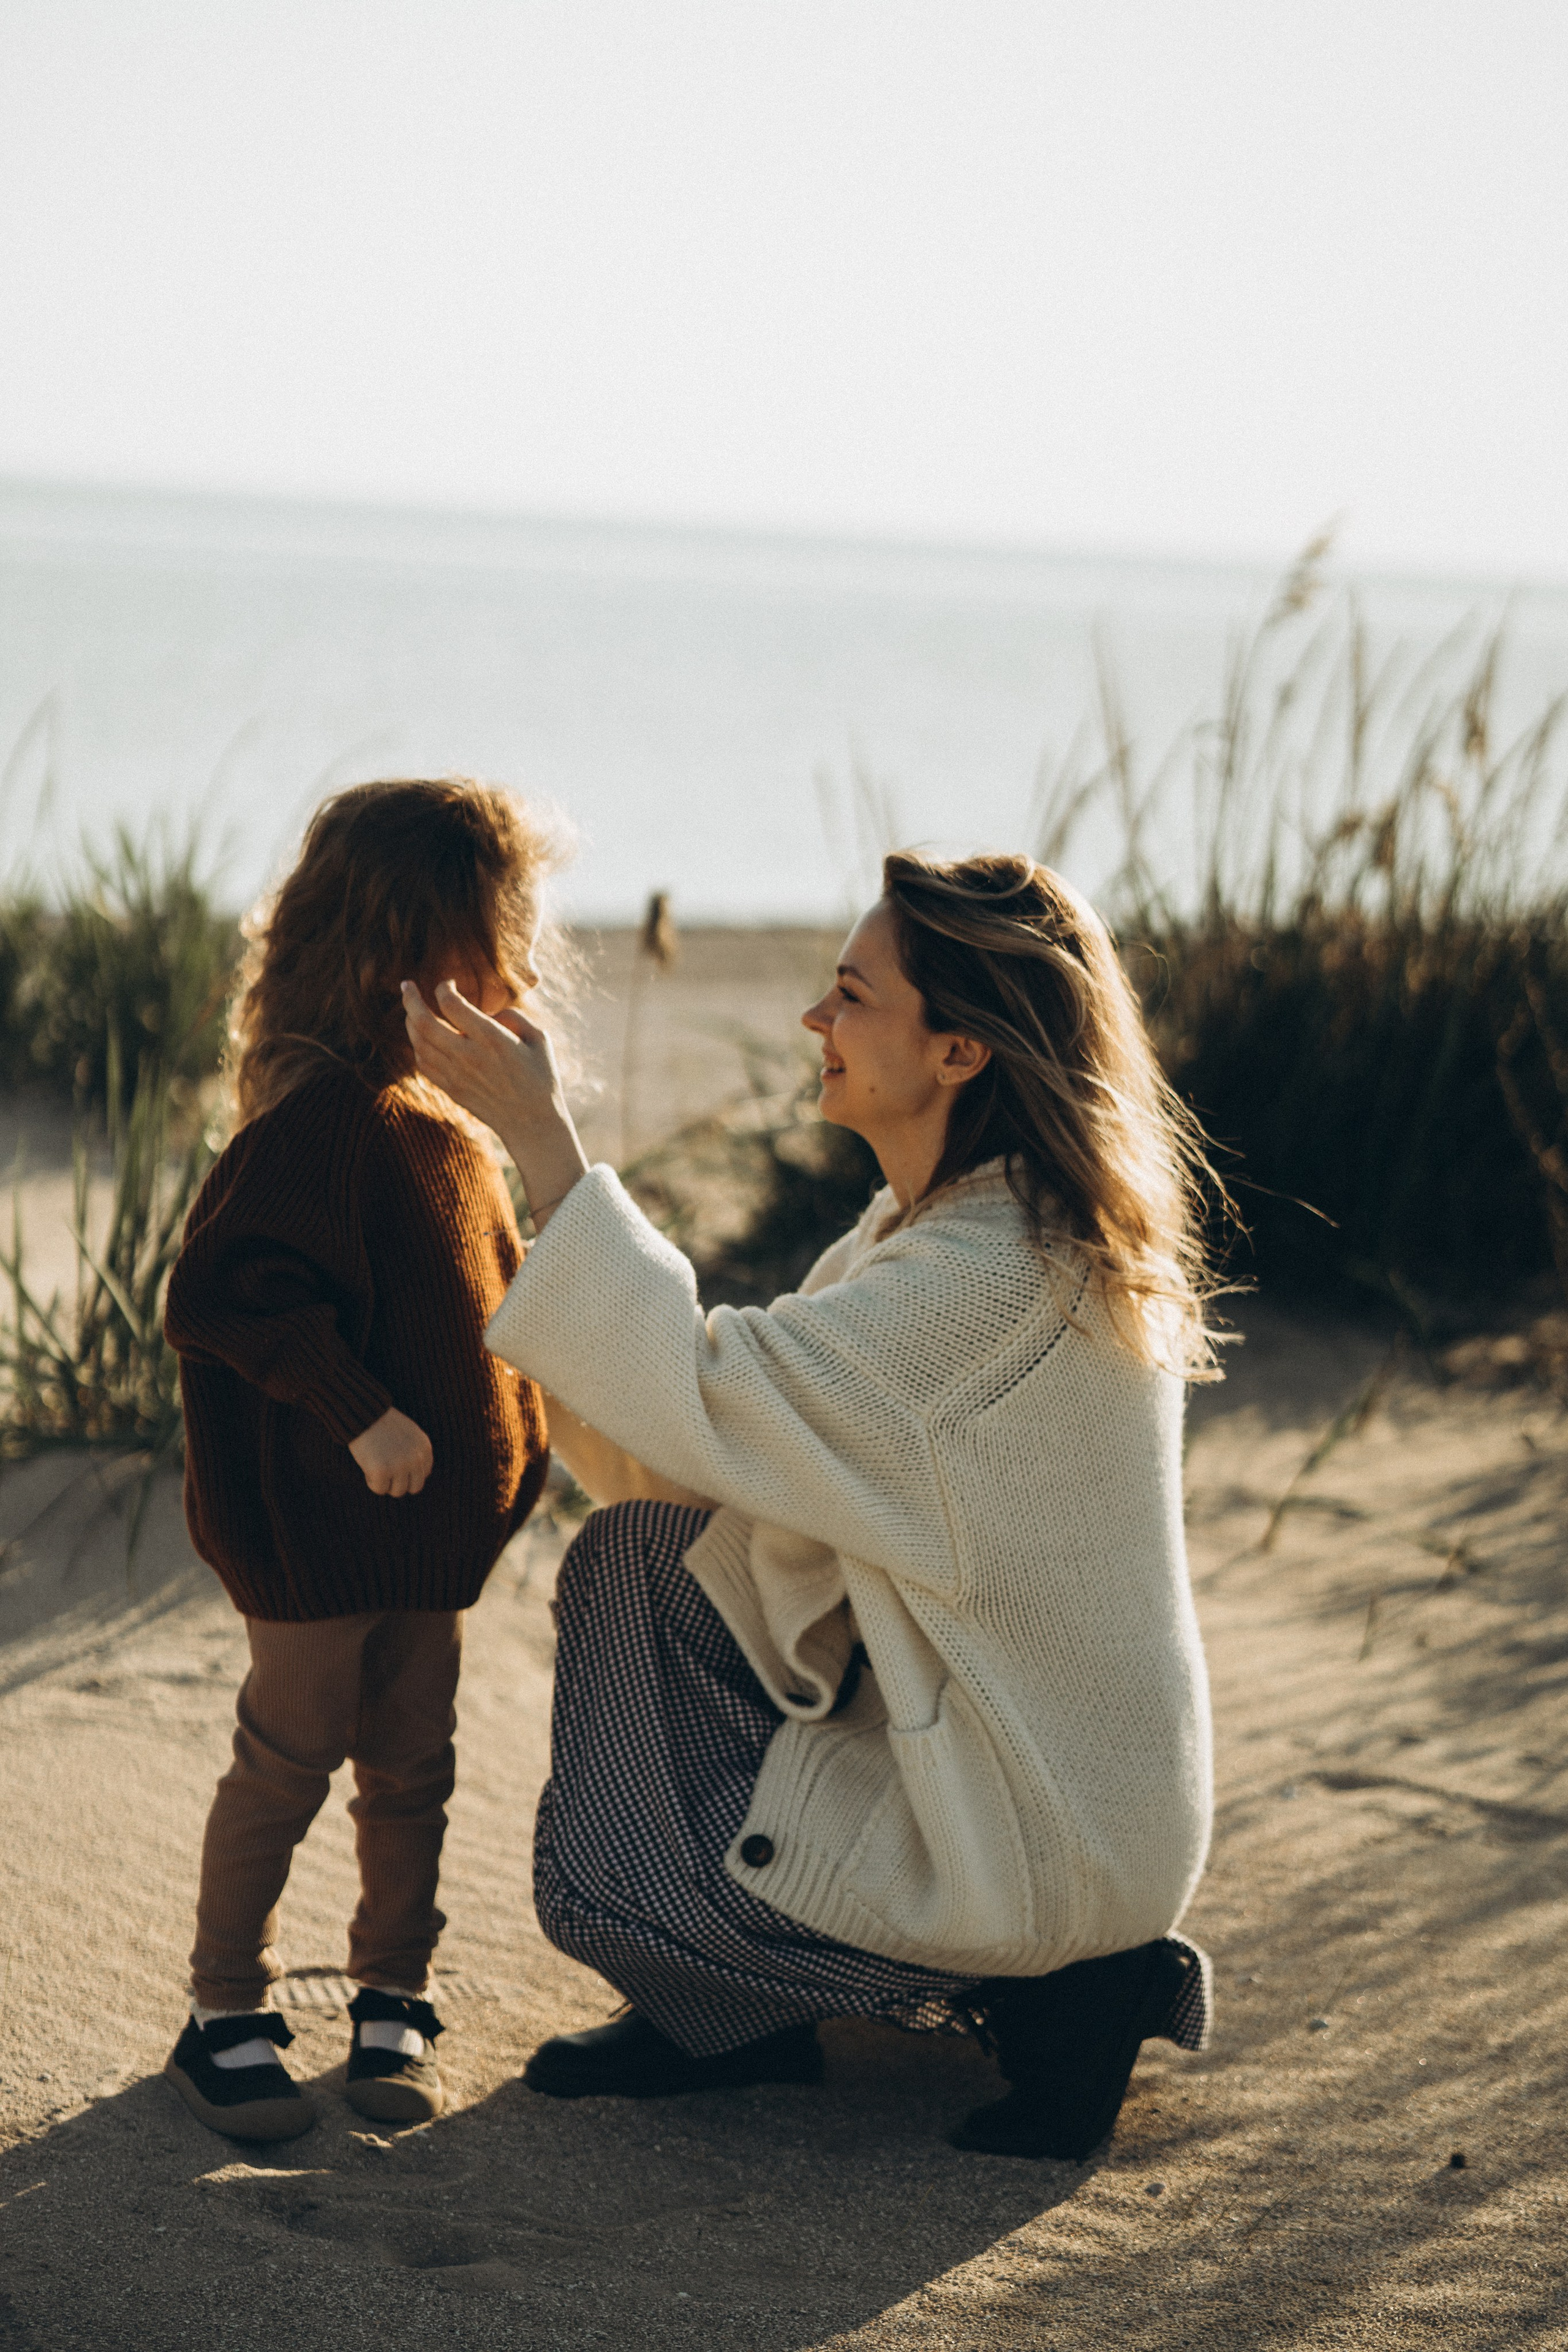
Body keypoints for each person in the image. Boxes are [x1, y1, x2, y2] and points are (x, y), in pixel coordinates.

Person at [404, 850, 1220, 2162]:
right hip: (1054, 1802)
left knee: (633, 1610)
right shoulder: (947, 1232)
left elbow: (704, 1396)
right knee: (652, 1563)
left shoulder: (986, 1277)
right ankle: (736, 2004)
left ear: (956, 1050)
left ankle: (1018, 1992)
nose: (813, 1023)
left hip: (1038, 1841)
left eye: (849, 994)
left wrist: (543, 1147)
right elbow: (710, 1457)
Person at [162, 778, 557, 2143]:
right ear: (410, 945)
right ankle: (224, 2009)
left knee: (412, 1764)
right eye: (494, 931)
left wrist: (516, 1447)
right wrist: (356, 1410)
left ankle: (395, 1993)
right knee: (289, 1756)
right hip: (319, 1533)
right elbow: (220, 1294)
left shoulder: (440, 1129)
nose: (513, 961)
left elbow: (484, 1302)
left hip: (424, 1541)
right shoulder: (322, 1117)